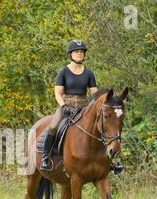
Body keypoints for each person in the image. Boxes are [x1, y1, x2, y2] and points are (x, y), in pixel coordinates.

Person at [40, 39, 124, 174]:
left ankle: (110, 163)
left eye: (81, 52)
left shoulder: (89, 73)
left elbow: (95, 96)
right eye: (76, 52)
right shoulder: (63, 72)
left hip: (83, 107)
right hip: (66, 106)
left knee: (99, 128)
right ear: (70, 54)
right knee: (54, 126)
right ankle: (46, 157)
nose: (79, 54)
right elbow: (57, 93)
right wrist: (63, 106)